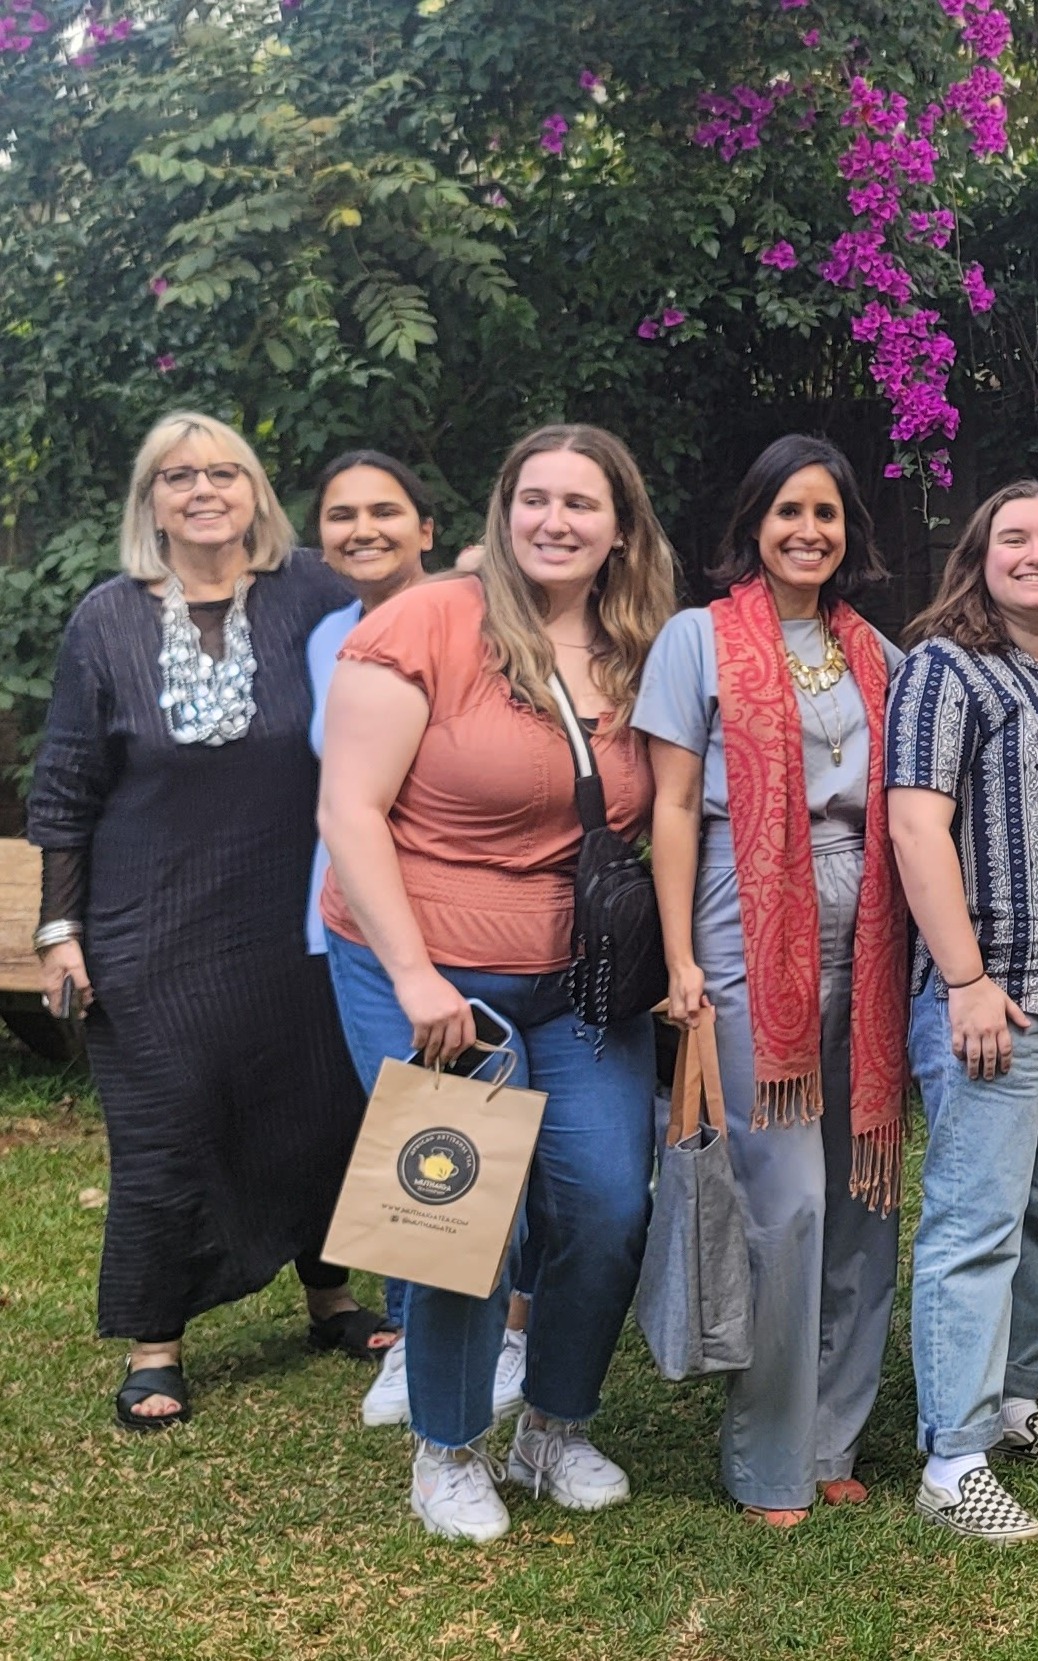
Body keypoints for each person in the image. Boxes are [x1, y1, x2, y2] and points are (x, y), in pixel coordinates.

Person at [318, 423, 675, 1543]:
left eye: (582, 503)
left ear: (621, 527)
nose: (555, 521)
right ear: (501, 509)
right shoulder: (424, 621)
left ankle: (554, 1424)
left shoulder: (642, 641)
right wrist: (418, 972)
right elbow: (349, 811)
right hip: (418, 962)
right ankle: (446, 1446)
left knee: (610, 1201)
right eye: (535, 499)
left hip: (576, 975)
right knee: (458, 1210)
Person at [28, 413, 364, 1432]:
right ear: (152, 500)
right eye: (180, 475)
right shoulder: (107, 619)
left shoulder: (316, 593)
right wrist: (58, 929)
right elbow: (68, 784)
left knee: (317, 1104)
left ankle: (331, 1297)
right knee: (166, 1123)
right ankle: (155, 1339)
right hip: (149, 924)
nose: (204, 489)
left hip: (293, 914)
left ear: (256, 491)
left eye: (225, 471)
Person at [637, 435, 907, 1528]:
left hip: (869, 917)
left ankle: (837, 1432)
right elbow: (666, 805)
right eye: (789, 510)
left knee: (862, 1195)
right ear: (753, 522)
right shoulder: (696, 640)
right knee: (785, 1199)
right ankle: (768, 1455)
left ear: (850, 531)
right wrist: (681, 961)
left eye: (828, 514)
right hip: (745, 912)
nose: (809, 530)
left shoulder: (875, 651)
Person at [887, 481, 1038, 1543]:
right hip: (1000, 996)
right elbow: (915, 828)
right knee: (974, 1220)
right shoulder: (946, 669)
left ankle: (1014, 1399)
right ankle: (952, 1456)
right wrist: (965, 978)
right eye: (1015, 538)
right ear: (979, 557)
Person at [302, 451, 510, 1433]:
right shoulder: (321, 637)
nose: (362, 529)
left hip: (466, 925)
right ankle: (415, 1340)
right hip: (356, 921)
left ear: (430, 528)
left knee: (457, 1138)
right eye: (340, 515)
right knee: (419, 1140)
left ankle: (493, 1334)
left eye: (386, 510)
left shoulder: (474, 612)